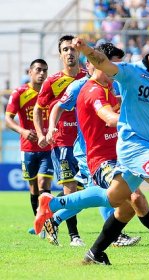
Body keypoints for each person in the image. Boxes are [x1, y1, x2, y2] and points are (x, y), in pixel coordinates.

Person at [35, 38, 149, 268]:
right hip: (132, 146)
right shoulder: (131, 73)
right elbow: (104, 63)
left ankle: (52, 206)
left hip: (146, 146)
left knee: (114, 199)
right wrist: (86, 50)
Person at [45, 43, 149, 250]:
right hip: (89, 153)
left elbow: (121, 105)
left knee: (117, 198)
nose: (113, 70)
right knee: (119, 197)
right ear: (93, 64)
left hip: (116, 154)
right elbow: (60, 106)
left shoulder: (110, 86)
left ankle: (58, 220)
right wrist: (51, 129)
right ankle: (61, 215)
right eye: (110, 64)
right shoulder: (84, 87)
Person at [33, 35, 86, 246]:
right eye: (65, 49)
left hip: (85, 143)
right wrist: (41, 134)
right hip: (62, 142)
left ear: (79, 52)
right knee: (71, 189)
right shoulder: (53, 81)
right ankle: (75, 236)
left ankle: (49, 208)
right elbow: (38, 109)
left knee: (86, 189)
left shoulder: (88, 77)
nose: (70, 53)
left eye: (73, 49)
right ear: (60, 54)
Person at [5, 59, 53, 236]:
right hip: (27, 148)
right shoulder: (19, 93)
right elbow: (8, 119)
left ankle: (49, 226)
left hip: (47, 147)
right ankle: (39, 223)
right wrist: (22, 131)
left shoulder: (50, 92)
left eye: (45, 71)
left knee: (44, 184)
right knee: (33, 187)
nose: (42, 74)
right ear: (29, 72)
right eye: (38, 70)